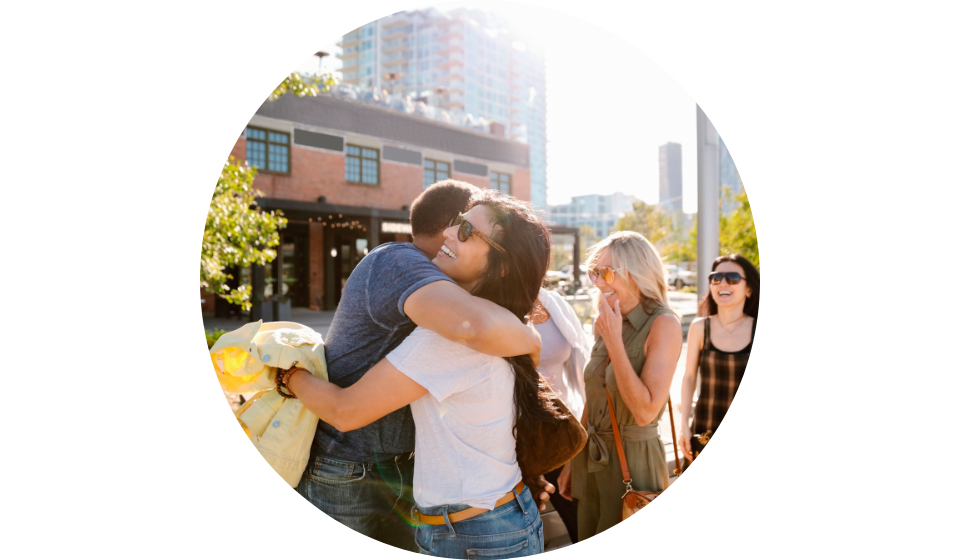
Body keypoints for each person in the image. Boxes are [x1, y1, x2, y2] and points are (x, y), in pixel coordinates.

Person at [285, 192, 556, 558]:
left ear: (502, 265)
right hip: (497, 515)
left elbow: (344, 411)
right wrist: (531, 339)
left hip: (468, 532)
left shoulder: (454, 337)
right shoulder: (506, 328)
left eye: (465, 230)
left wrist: (287, 374)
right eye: (457, 220)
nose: (447, 232)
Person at [556, 231, 682, 540]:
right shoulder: (610, 317)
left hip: (634, 459)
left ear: (637, 272)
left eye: (606, 272)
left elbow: (645, 412)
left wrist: (613, 341)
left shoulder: (663, 324)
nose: (598, 282)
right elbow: (596, 394)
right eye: (594, 273)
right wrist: (574, 458)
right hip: (593, 458)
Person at [679, 254, 759, 468]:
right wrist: (684, 425)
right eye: (716, 277)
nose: (723, 283)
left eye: (732, 277)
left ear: (749, 289)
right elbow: (688, 378)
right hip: (705, 430)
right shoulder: (699, 327)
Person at [531, 287, 590, 543]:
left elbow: (582, 362)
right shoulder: (491, 301)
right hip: (515, 438)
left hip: (560, 432)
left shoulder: (553, 302)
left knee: (580, 524)